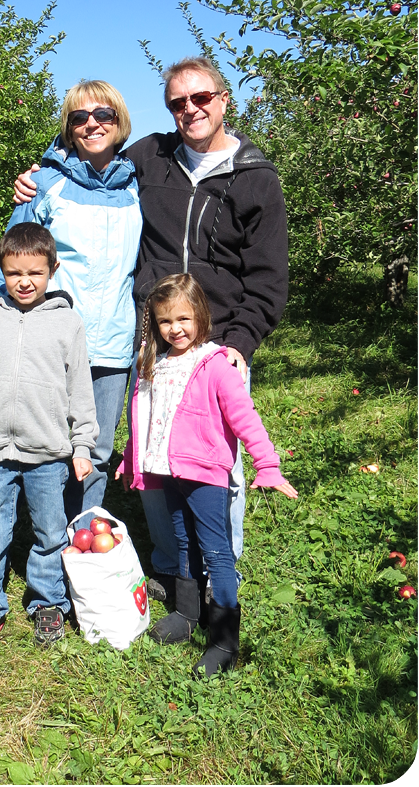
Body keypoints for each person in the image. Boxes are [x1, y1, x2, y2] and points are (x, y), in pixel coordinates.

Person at [13, 57, 289, 601]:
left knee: (217, 462)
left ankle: (218, 569)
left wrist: (241, 342)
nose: (191, 109)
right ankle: (168, 562)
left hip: (217, 342)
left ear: (223, 99)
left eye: (201, 98)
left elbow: (268, 278)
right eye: (178, 102)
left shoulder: (256, 178)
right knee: (152, 455)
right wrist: (39, 172)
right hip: (152, 335)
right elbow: (88, 149)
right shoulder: (152, 156)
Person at [117, 273, 297, 677]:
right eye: (165, 321)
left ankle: (224, 640)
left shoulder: (214, 364)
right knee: (183, 541)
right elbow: (144, 417)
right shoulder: (155, 362)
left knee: (216, 551)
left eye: (183, 318)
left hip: (205, 475)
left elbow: (245, 418)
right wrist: (131, 458)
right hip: (168, 470)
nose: (175, 328)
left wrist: (267, 464)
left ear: (201, 315)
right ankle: (187, 612)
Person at [0, 223, 98, 648]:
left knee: (50, 533)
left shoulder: (67, 323)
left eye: (34, 273)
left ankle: (49, 602)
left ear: (53, 270)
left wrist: (82, 445)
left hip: (47, 453)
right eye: (13, 273)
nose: (24, 282)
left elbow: (81, 390)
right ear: (2, 272)